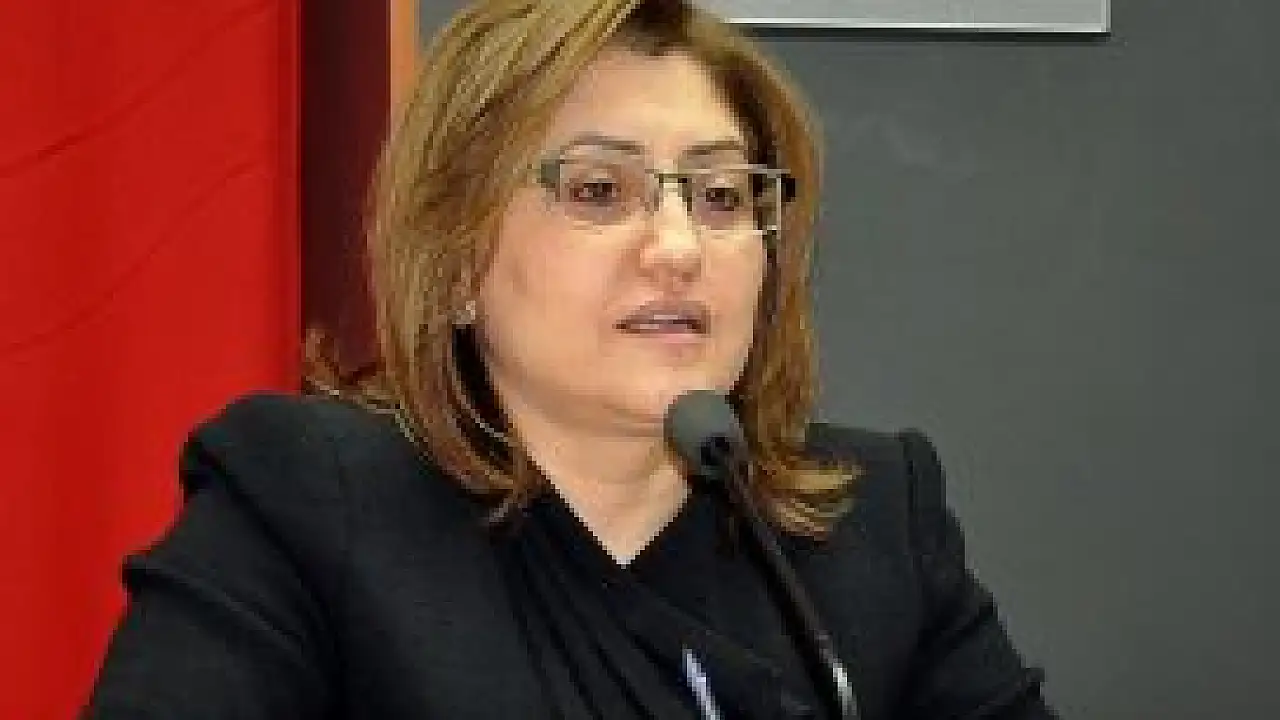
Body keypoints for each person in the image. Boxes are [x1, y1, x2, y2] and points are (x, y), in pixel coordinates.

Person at [85, 0, 1056, 717]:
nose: (677, 245)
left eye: (720, 197)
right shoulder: (306, 504)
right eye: (599, 190)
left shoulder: (874, 527)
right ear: (456, 262)